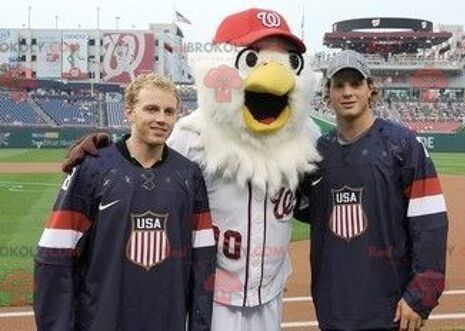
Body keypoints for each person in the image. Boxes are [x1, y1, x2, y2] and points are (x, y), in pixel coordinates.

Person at [60, 8, 321, 331]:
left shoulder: (307, 134)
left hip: (270, 294)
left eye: (286, 59)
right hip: (211, 296)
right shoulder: (190, 135)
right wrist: (103, 152)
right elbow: (144, 168)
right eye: (255, 57)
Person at [34, 73, 216, 331]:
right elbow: (54, 256)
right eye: (151, 109)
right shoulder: (92, 169)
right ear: (129, 111)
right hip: (102, 320)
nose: (161, 119)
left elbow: (203, 259)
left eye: (169, 111)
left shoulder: (189, 175)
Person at [296, 50, 449, 331]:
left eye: (356, 84)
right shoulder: (316, 154)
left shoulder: (403, 146)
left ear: (371, 89)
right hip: (333, 307)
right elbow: (305, 209)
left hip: (389, 309)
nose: (347, 92)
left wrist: (420, 296)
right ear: (327, 93)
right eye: (339, 85)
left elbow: (430, 224)